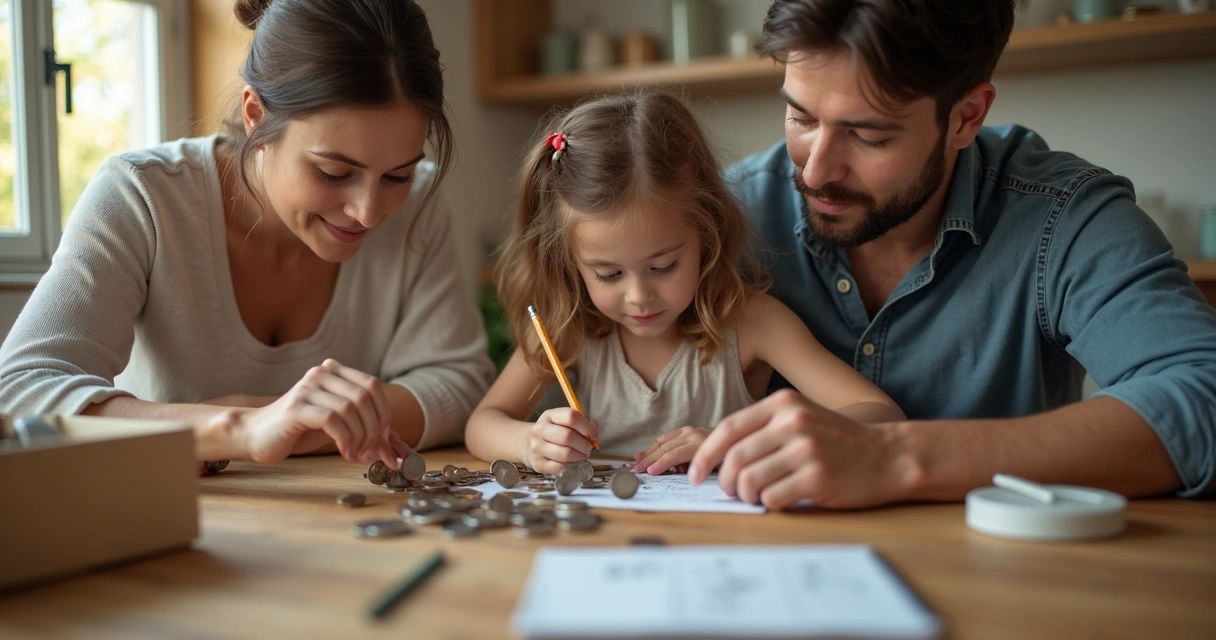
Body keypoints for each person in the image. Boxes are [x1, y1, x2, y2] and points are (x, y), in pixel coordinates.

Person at [688, 0, 1216, 509]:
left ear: (966, 116)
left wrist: (894, 457)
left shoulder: (1063, 218)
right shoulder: (730, 215)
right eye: (800, 118)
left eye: (867, 135)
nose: (815, 172)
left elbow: (1203, 398)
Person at [0, 0, 494, 471]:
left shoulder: (418, 207)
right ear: (255, 114)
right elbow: (21, 391)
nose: (367, 212)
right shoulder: (142, 196)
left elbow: (458, 383)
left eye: (396, 176)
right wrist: (241, 426)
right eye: (332, 172)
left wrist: (290, 425)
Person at [464, 91, 905, 476]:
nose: (639, 296)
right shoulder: (568, 328)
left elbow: (881, 415)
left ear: (707, 234)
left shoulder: (753, 323)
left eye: (663, 266)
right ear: (570, 264)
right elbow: (483, 424)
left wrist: (737, 439)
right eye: (609, 274)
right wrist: (529, 443)